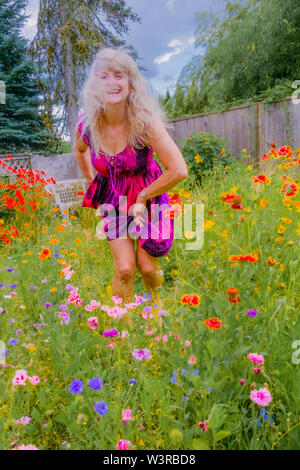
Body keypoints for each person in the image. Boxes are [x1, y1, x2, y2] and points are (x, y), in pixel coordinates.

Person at [73, 46, 188, 312]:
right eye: (103, 76)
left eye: (119, 75)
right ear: (94, 85)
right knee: (124, 268)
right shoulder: (87, 125)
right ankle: (121, 330)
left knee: (147, 267)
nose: (111, 82)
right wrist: (92, 181)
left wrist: (143, 196)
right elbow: (80, 151)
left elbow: (179, 169)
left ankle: (156, 306)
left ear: (130, 83)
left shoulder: (143, 123)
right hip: (113, 197)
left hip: (148, 193)